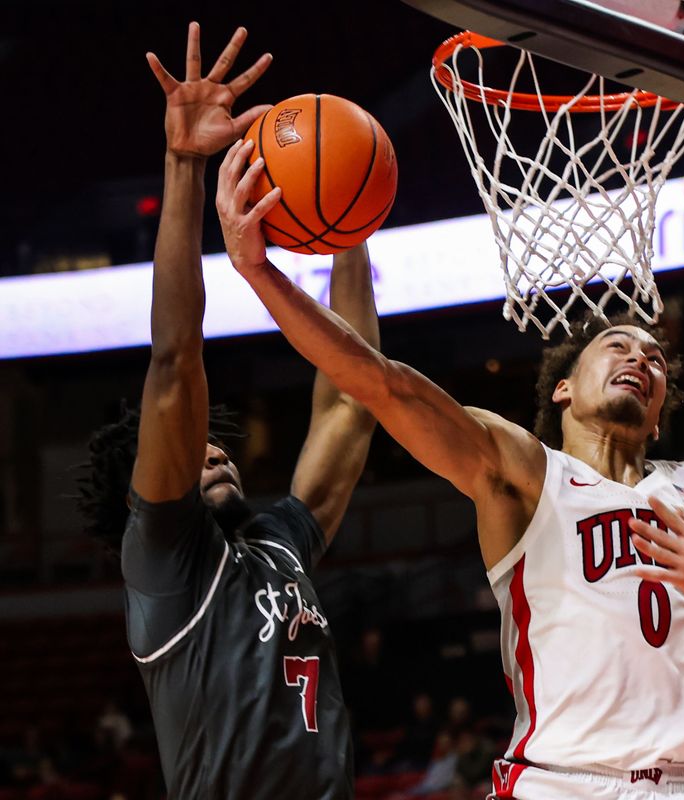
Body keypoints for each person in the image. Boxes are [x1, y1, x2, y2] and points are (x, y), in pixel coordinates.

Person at [214, 134, 684, 799]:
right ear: (564, 389)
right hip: (560, 786)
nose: (641, 358)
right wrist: (260, 273)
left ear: (661, 412)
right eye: (617, 345)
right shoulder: (524, 473)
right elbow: (383, 384)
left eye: (656, 358)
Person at [76, 23, 378, 799]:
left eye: (218, 448)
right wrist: (185, 165)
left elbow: (351, 398)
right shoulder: (164, 561)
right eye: (194, 452)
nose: (213, 453)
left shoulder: (279, 540)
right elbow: (176, 363)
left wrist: (351, 228)